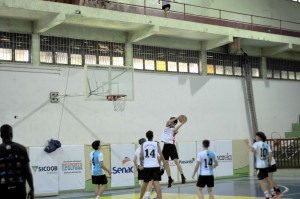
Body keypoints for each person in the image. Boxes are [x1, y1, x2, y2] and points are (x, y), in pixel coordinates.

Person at [0, 124, 34, 199]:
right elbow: (28, 171)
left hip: (2, 192)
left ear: (1, 135)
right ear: (11, 134)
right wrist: (32, 189)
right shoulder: (22, 149)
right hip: (20, 191)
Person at [244, 132, 274, 199]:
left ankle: (267, 195)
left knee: (261, 181)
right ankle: (273, 193)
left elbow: (252, 149)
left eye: (256, 136)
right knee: (267, 179)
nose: (255, 137)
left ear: (258, 137)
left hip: (259, 165)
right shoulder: (266, 144)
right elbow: (270, 154)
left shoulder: (256, 144)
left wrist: (247, 144)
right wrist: (269, 162)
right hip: (265, 164)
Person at [161, 116, 186, 187]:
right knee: (165, 163)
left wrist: (182, 123)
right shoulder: (167, 126)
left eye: (171, 121)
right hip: (165, 146)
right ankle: (170, 179)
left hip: (172, 146)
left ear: (174, 123)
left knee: (176, 161)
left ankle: (182, 176)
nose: (170, 121)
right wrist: (177, 117)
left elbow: (175, 130)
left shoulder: (175, 129)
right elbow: (167, 121)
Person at [139, 131, 165, 199]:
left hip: (147, 167)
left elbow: (141, 156)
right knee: (157, 185)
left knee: (144, 184)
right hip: (155, 166)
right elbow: (161, 155)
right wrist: (163, 163)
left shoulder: (143, 144)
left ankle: (140, 198)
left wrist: (141, 164)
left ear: (146, 137)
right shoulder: (156, 144)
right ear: (152, 136)